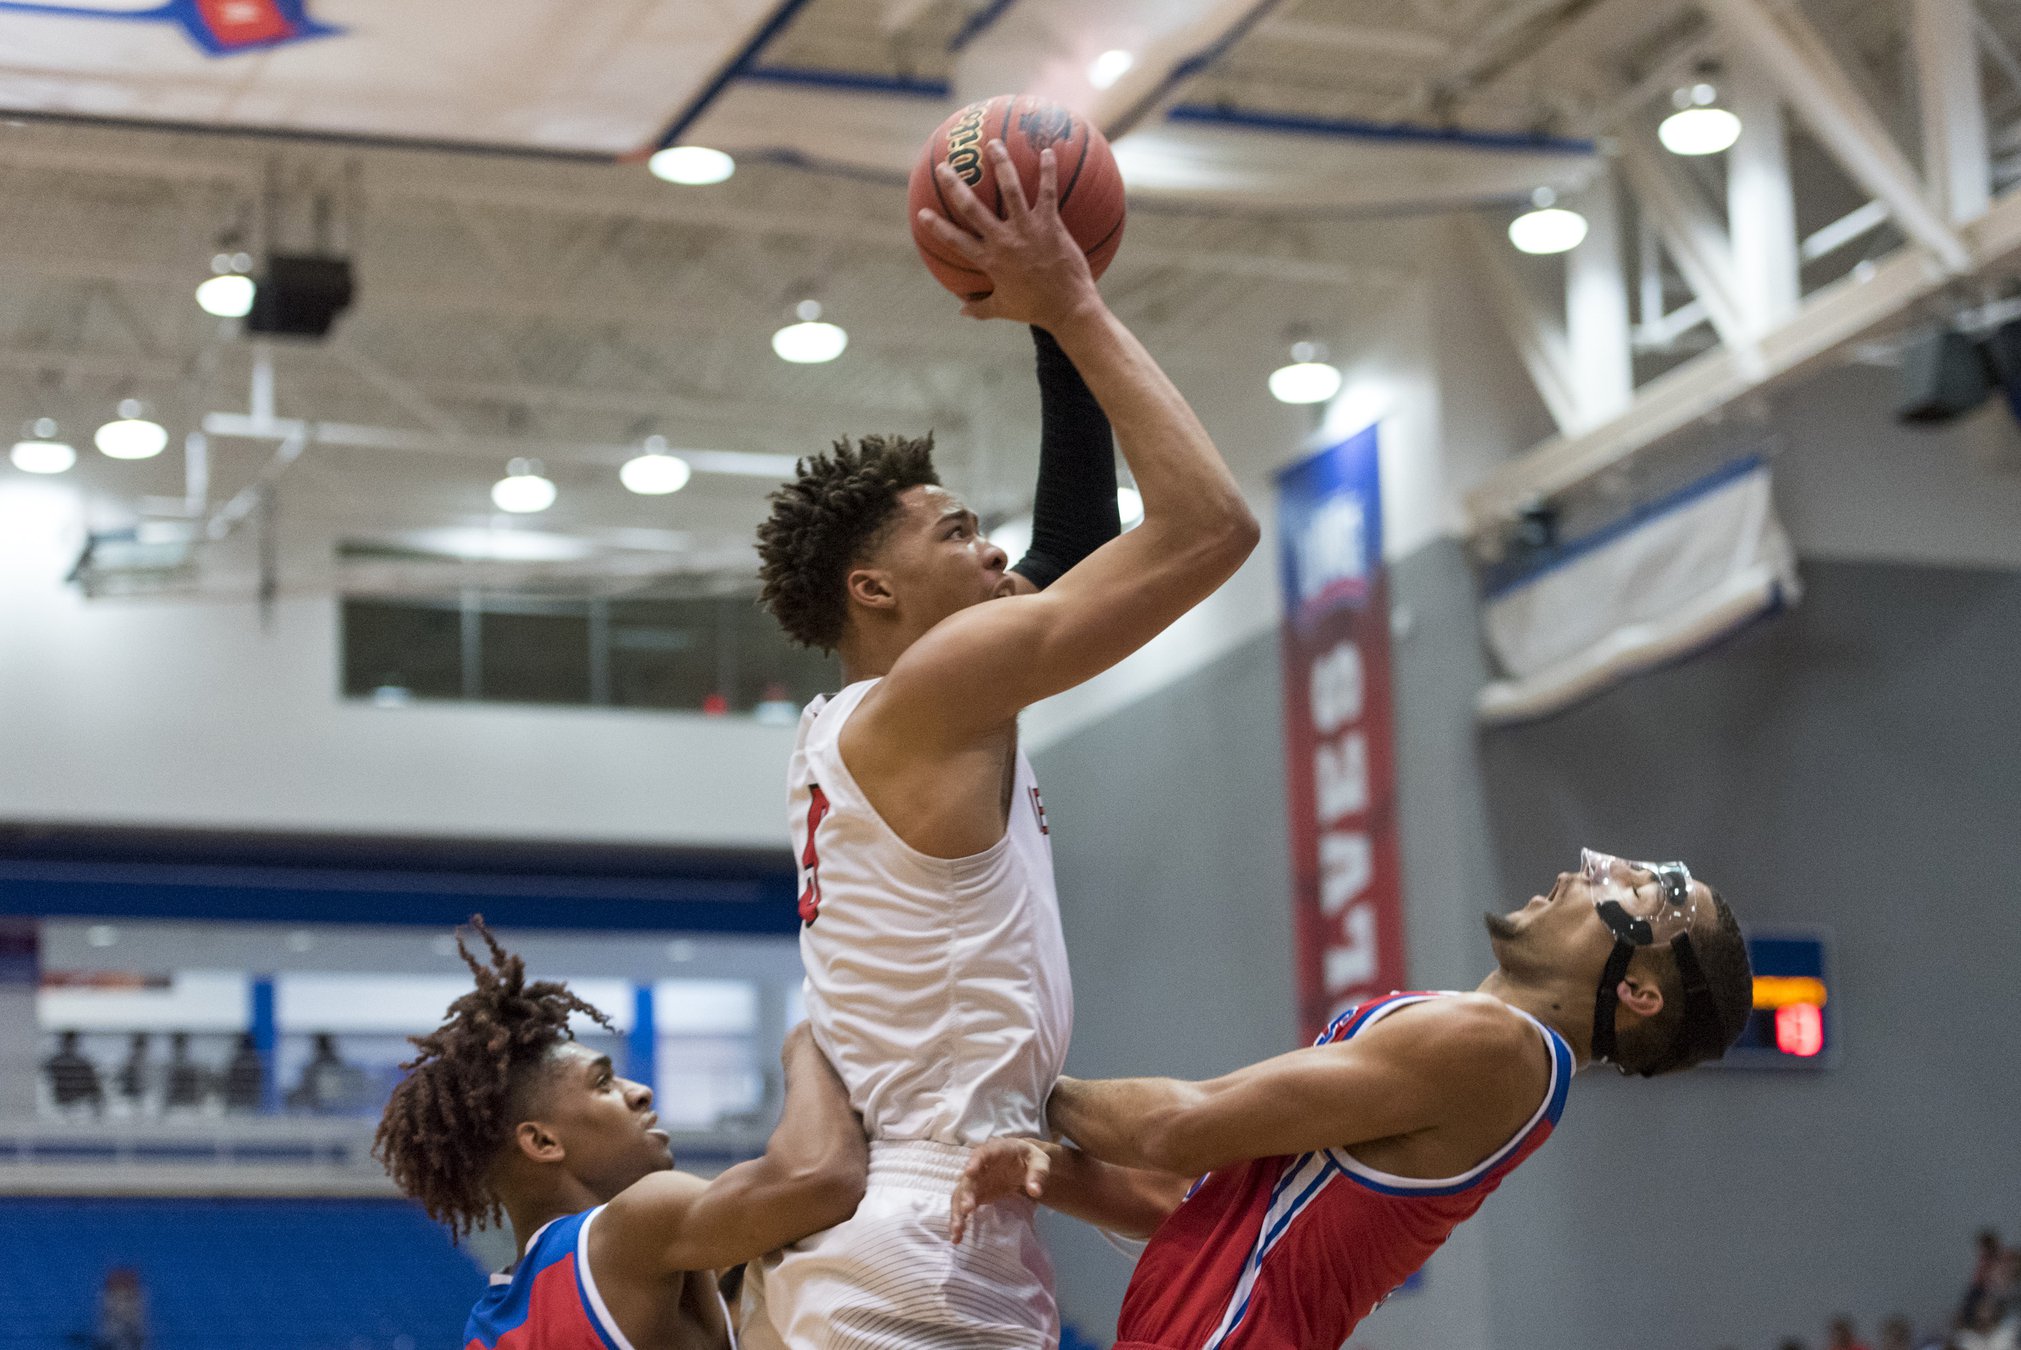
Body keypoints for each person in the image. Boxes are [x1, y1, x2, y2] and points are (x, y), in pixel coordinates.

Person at [744, 136, 1258, 1349]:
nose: (995, 553)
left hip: (924, 1210)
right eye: (958, 532)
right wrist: (1071, 301)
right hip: (919, 1230)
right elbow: (1209, 528)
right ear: (874, 590)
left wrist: (1044, 312)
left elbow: (1077, 534)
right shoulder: (931, 695)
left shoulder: (873, 717)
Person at [952, 850, 1755, 1350]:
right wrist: (1043, 1167)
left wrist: (1008, 1067)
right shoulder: (1492, 1053)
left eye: (1638, 893)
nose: (1582, 872)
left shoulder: (1497, 1049)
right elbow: (1188, 1200)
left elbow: (1176, 1128)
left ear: (1640, 993)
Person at [374, 918, 866, 1350]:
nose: (641, 1092)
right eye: (604, 1083)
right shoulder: (632, 1226)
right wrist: (806, 1040)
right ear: (543, 1142)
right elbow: (822, 1178)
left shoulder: (488, 1325)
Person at [43, 1030, 104, 1114]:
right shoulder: (83, 1063)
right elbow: (95, 1088)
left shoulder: (53, 1061)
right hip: (76, 1099)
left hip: (62, 1100)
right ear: (75, 1042)